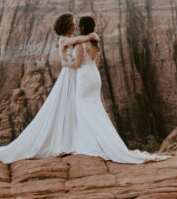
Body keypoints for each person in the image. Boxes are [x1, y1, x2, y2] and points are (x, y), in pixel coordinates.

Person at [0, 12, 93, 162]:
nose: (74, 25)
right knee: (65, 107)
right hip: (68, 76)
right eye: (72, 23)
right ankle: (63, 142)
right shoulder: (64, 39)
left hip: (71, 75)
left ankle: (70, 140)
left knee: (70, 107)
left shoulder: (69, 39)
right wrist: (92, 36)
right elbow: (80, 39)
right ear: (66, 25)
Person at [63, 15, 163, 164]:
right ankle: (102, 141)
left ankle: (90, 143)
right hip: (94, 76)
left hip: (84, 76)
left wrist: (66, 64)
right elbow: (96, 63)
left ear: (82, 27)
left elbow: (77, 63)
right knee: (95, 108)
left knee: (82, 107)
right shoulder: (95, 41)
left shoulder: (80, 44)